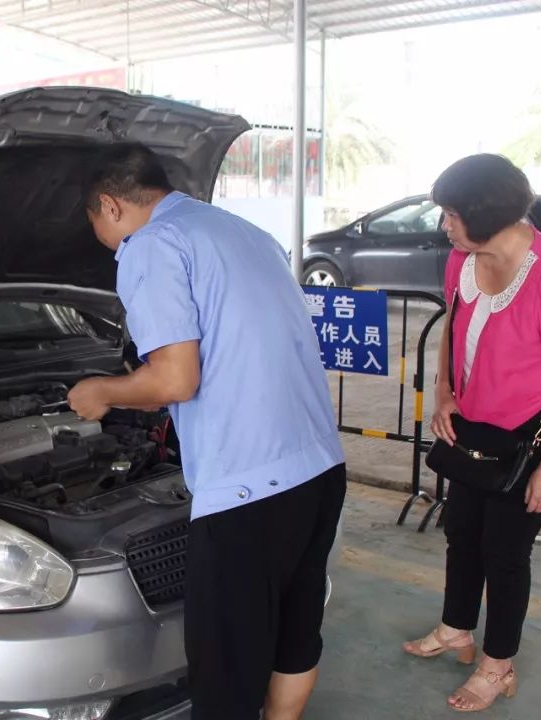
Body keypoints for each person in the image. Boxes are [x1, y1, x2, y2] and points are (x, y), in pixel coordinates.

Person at [68, 144, 346, 720]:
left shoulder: (148, 246)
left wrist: (104, 391)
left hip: (250, 489)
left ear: (109, 205)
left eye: (96, 222)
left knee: (226, 669)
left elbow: (175, 379)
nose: (105, 236)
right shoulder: (242, 232)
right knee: (295, 631)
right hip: (320, 467)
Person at [403, 154, 541, 712]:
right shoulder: (462, 261)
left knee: (505, 554)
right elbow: (452, 328)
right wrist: (444, 393)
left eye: (453, 214)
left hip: (531, 440)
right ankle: (457, 629)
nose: (445, 225)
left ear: (487, 215)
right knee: (462, 532)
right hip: (474, 428)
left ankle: (498, 665)